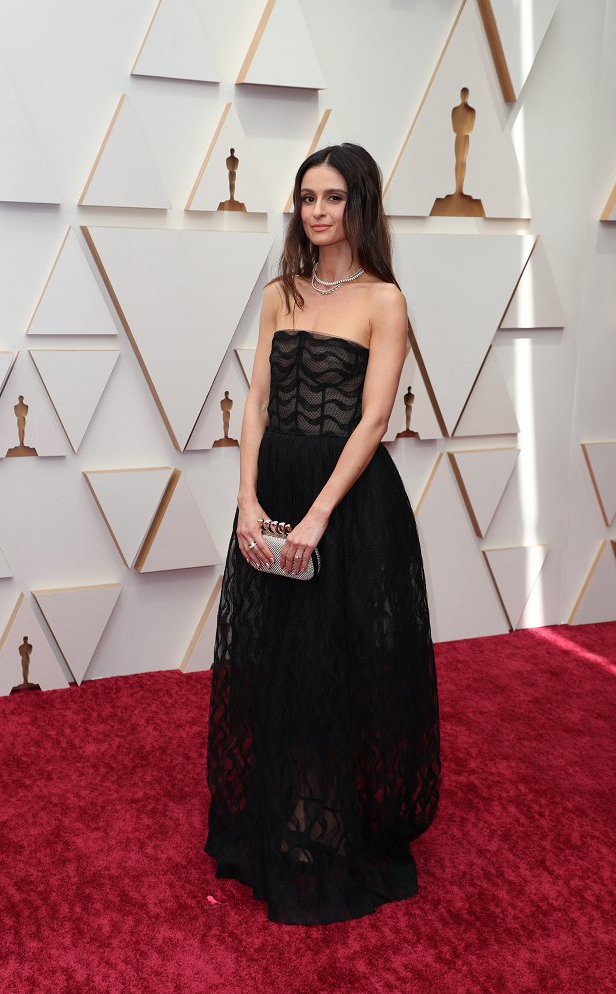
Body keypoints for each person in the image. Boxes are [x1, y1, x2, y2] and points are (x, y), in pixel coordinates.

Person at [205, 143, 441, 925]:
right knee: (274, 656)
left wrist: (316, 517)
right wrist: (246, 499)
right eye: (307, 197)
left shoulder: (384, 300)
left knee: (333, 660)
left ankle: (325, 820)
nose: (316, 211)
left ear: (359, 206)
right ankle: (281, 806)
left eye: (332, 197)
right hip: (274, 489)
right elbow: (257, 403)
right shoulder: (280, 293)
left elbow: (374, 419)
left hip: (346, 505)